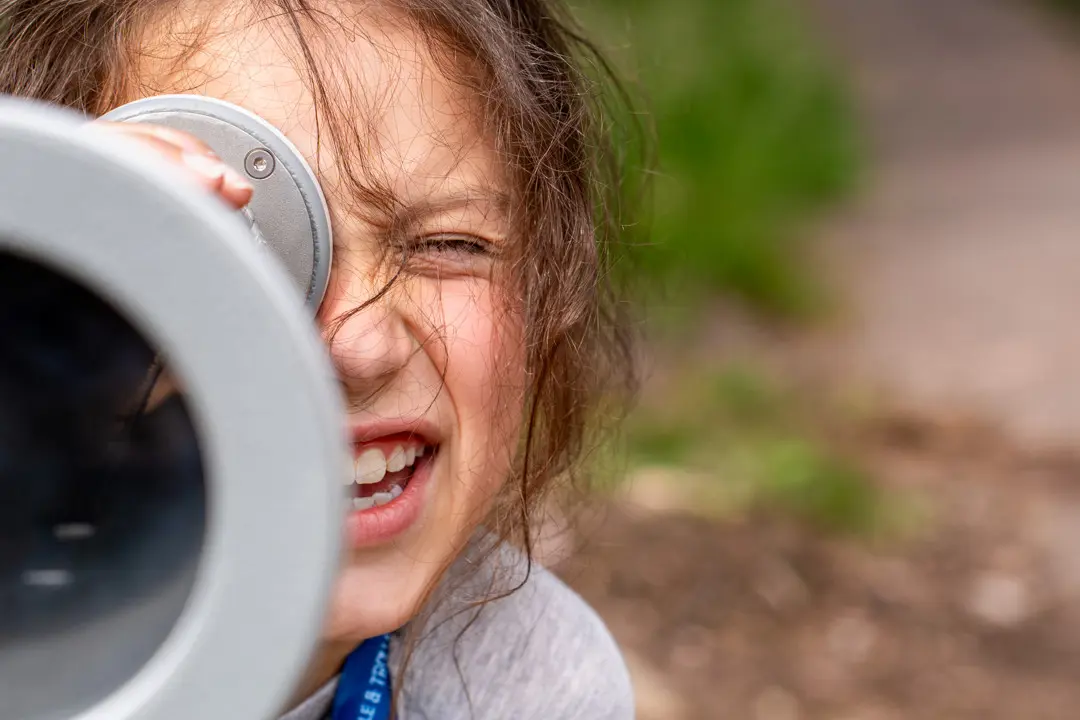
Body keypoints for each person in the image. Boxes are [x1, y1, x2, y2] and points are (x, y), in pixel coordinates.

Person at [0, 0, 640, 717]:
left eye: (447, 244)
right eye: (232, 246)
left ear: (548, 289)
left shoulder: (525, 686)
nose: (358, 348)